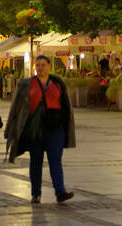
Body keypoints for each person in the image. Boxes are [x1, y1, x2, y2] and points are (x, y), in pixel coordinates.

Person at [5, 53, 76, 207]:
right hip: (35, 128)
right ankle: (35, 194)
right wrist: (12, 129)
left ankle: (60, 192)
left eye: (43, 65)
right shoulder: (26, 84)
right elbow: (16, 107)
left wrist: (64, 123)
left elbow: (66, 105)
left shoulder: (57, 83)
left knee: (55, 159)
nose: (40, 68)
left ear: (49, 66)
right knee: (36, 161)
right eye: (37, 65)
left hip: (55, 127)